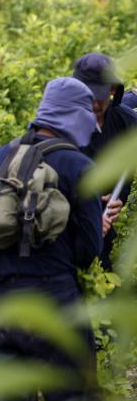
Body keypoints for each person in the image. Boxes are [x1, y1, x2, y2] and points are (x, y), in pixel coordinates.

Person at [0, 78, 105, 401]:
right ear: (76, 116)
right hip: (51, 301)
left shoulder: (4, 154)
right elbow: (88, 252)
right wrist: (101, 224)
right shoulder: (78, 165)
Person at [72, 52, 134, 270]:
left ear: (113, 90)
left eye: (100, 97)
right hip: (69, 224)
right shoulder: (62, 123)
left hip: (107, 224)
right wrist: (89, 203)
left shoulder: (126, 122)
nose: (95, 104)